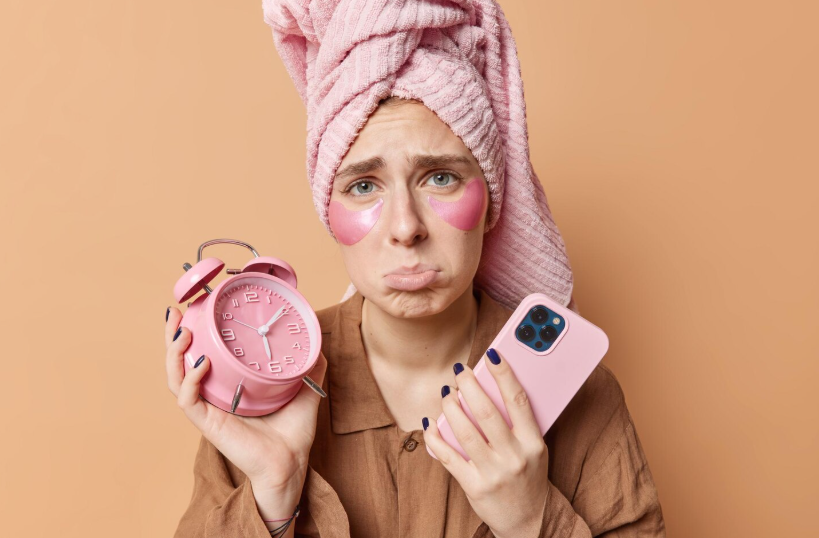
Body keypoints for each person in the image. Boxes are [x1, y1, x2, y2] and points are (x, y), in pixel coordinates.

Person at [165, 1, 665, 536]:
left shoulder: (580, 392)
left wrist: (530, 521)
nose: (406, 227)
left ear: (493, 200)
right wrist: (274, 494)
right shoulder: (264, 386)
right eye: (363, 186)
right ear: (328, 214)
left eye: (441, 178)